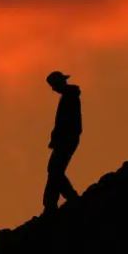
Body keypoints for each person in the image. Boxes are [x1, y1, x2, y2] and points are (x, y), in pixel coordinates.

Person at [42, 70, 82, 213]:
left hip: (67, 140)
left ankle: (54, 203)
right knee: (55, 170)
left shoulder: (69, 97)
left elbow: (67, 123)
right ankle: (59, 201)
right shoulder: (69, 96)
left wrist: (59, 138)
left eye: (53, 85)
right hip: (66, 139)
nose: (53, 89)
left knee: (54, 170)